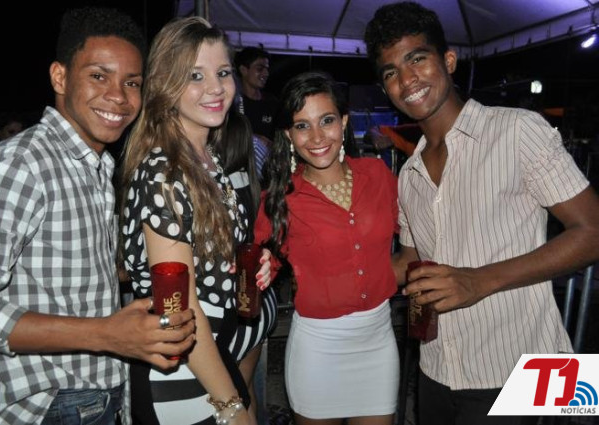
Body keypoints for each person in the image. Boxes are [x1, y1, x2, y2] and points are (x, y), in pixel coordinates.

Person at [0, 7, 197, 425]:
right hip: (49, 405)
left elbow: (60, 271)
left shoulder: (93, 164)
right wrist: (106, 334)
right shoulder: (19, 165)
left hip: (95, 396)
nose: (119, 96)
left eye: (132, 83)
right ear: (60, 77)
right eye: (99, 76)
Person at [364, 2, 599, 425]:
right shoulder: (409, 174)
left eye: (417, 58)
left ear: (449, 60)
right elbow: (412, 260)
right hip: (436, 366)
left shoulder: (518, 130)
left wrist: (479, 280)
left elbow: (593, 231)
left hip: (523, 367)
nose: (407, 79)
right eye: (391, 72)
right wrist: (337, 273)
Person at [120, 17, 273, 425]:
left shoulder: (209, 159)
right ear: (165, 85)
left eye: (222, 72)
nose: (216, 88)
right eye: (195, 75)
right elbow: (182, 303)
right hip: (182, 367)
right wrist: (231, 406)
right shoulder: (164, 171)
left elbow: (210, 261)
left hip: (214, 354)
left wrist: (247, 263)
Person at [254, 71, 400, 425]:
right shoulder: (279, 199)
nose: (317, 137)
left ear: (344, 122)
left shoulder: (377, 175)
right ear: (288, 135)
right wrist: (257, 267)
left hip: (379, 342)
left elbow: (416, 233)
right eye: (302, 126)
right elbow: (260, 264)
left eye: (327, 121)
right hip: (318, 351)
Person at [214, 108, 278, 425]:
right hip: (261, 302)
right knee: (245, 391)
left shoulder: (220, 189)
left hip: (240, 304)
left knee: (230, 400)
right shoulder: (251, 182)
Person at [233, 47, 280, 180]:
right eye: (260, 68)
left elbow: (281, 136)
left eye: (267, 69)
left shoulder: (272, 102)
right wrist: (254, 138)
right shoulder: (233, 103)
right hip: (241, 171)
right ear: (243, 70)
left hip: (269, 171)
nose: (266, 73)